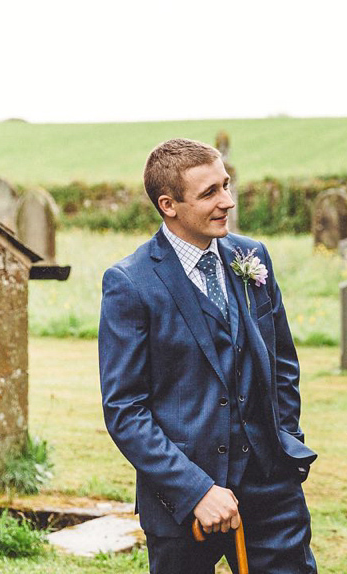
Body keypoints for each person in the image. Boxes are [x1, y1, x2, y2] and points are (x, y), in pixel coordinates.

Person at [99, 138, 317, 573]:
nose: (227, 202)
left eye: (226, 185)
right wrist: (196, 490)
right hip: (181, 502)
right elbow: (125, 409)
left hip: (271, 487)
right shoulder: (131, 282)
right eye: (210, 193)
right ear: (168, 205)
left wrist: (284, 442)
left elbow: (282, 364)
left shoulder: (252, 256)